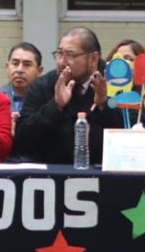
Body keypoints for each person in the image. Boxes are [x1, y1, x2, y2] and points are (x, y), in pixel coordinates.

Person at [13, 27, 123, 164]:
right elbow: (23, 139)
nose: (61, 61)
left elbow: (126, 134)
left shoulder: (115, 82)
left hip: (101, 173)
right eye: (59, 54)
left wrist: (103, 104)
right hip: (52, 173)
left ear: (93, 59)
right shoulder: (43, 85)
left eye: (70, 55)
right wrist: (55, 106)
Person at [0, 42, 44, 115]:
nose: (19, 70)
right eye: (15, 63)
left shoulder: (47, 101)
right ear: (7, 67)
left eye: (27, 65)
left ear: (39, 71)